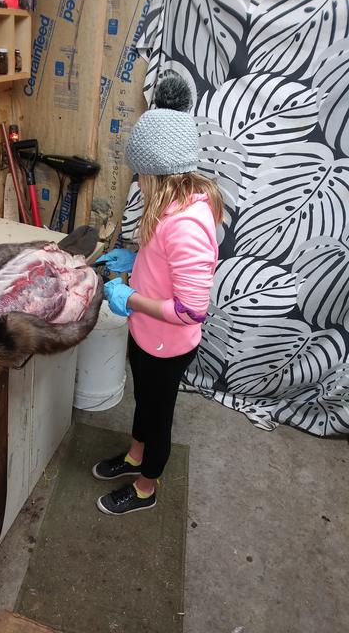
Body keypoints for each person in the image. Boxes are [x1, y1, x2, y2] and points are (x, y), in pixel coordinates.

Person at [93, 73, 224, 516]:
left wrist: (128, 298)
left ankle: (146, 487)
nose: (138, 180)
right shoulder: (170, 204)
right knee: (144, 403)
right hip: (148, 334)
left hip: (168, 344)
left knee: (157, 414)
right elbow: (165, 262)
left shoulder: (187, 224)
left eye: (141, 173)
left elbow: (190, 310)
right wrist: (136, 261)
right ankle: (134, 457)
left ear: (157, 172)